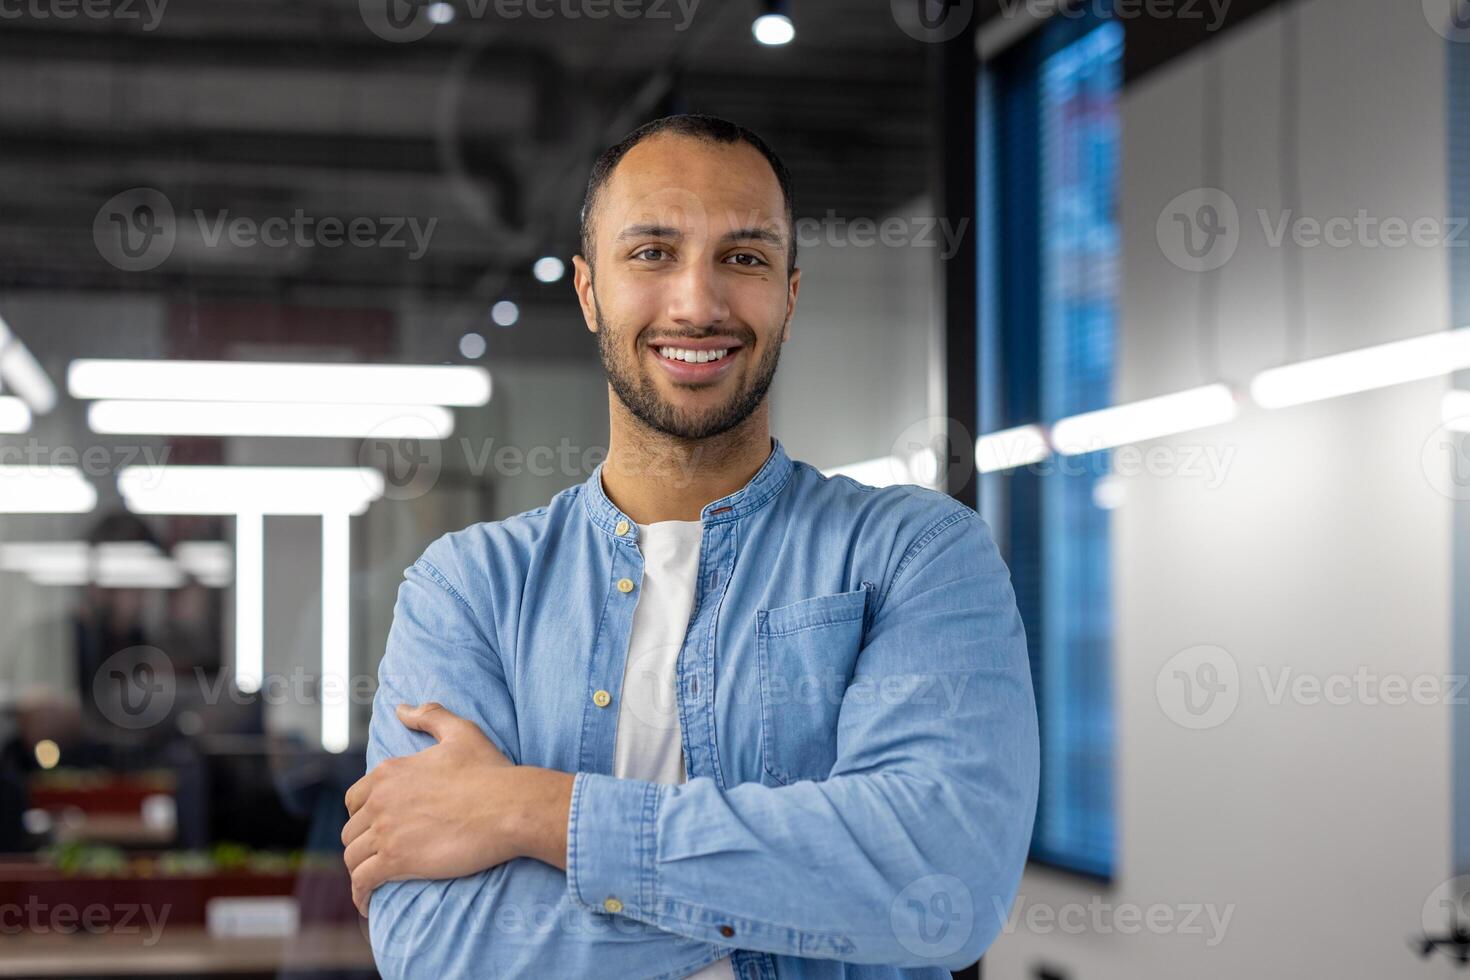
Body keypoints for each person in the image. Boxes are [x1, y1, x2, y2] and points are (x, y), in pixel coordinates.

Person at [342, 114, 1039, 979]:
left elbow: (942, 887)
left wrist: (532, 811)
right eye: (652, 254)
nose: (698, 304)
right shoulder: (469, 588)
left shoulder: (916, 553)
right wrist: (815, 894)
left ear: (789, 292)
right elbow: (438, 947)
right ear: (590, 291)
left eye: (743, 258)